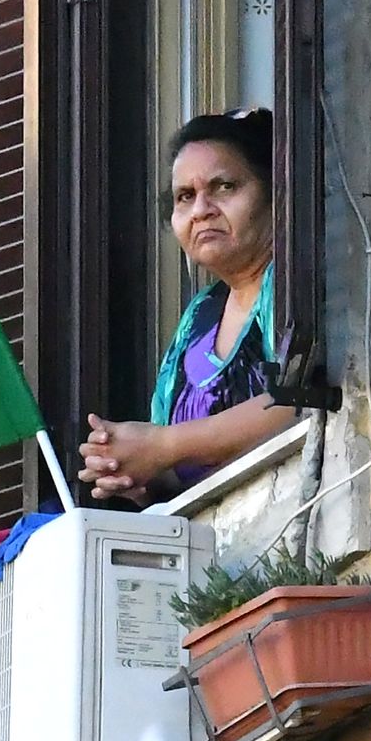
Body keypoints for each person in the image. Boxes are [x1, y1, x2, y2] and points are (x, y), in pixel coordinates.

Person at [78, 108, 298, 501]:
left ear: (275, 193)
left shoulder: (293, 283)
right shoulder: (200, 316)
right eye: (185, 196)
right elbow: (178, 476)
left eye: (224, 187)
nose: (201, 210)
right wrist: (134, 472)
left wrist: (165, 446)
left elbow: (306, 403)